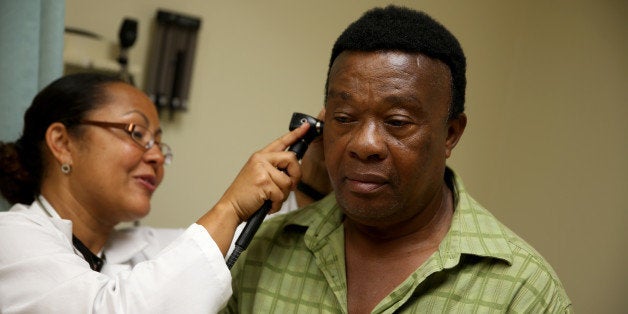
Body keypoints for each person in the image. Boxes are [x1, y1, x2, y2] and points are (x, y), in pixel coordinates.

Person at [223, 5, 572, 313]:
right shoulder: (262, 250)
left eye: (397, 122)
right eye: (344, 118)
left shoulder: (523, 290)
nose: (364, 144)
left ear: (451, 134)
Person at [0, 72, 317, 313]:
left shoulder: (138, 247)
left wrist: (314, 161)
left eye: (158, 144)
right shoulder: (11, 238)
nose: (155, 157)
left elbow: (245, 243)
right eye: (136, 133)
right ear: (62, 143)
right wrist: (229, 206)